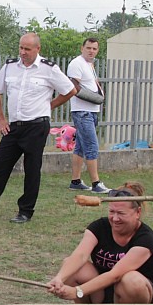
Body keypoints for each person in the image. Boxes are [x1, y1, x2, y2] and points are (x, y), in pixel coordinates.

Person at [0, 32, 77, 224]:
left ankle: (25, 211)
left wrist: (49, 105)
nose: (23, 52)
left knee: (32, 169)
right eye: (21, 47)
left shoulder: (48, 69)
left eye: (27, 48)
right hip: (14, 126)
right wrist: (1, 119)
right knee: (0, 167)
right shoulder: (10, 67)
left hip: (36, 126)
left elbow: (70, 91)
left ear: (37, 49)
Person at [47, 182, 153, 305]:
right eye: (111, 212)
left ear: (137, 213)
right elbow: (79, 256)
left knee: (131, 279)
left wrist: (76, 291)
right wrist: (59, 278)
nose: (115, 218)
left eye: (121, 213)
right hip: (101, 295)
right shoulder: (99, 227)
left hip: (131, 299)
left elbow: (115, 275)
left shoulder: (146, 239)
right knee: (70, 266)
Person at [66, 37, 108, 194]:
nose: (91, 51)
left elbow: (92, 83)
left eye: (94, 49)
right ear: (82, 48)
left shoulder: (90, 64)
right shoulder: (76, 63)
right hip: (82, 111)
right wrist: (94, 97)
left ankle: (75, 181)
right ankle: (96, 183)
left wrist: (99, 95)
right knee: (92, 145)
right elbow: (74, 86)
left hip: (92, 110)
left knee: (81, 147)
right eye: (88, 48)